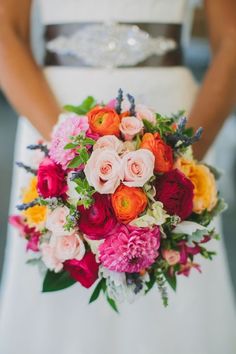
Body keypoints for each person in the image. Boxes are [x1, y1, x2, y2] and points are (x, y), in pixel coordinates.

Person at [0, 1, 235, 354]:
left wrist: (180, 165)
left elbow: (232, 36)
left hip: (172, 131)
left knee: (173, 312)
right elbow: (5, 33)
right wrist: (70, 158)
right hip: (49, 117)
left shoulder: (178, 157)